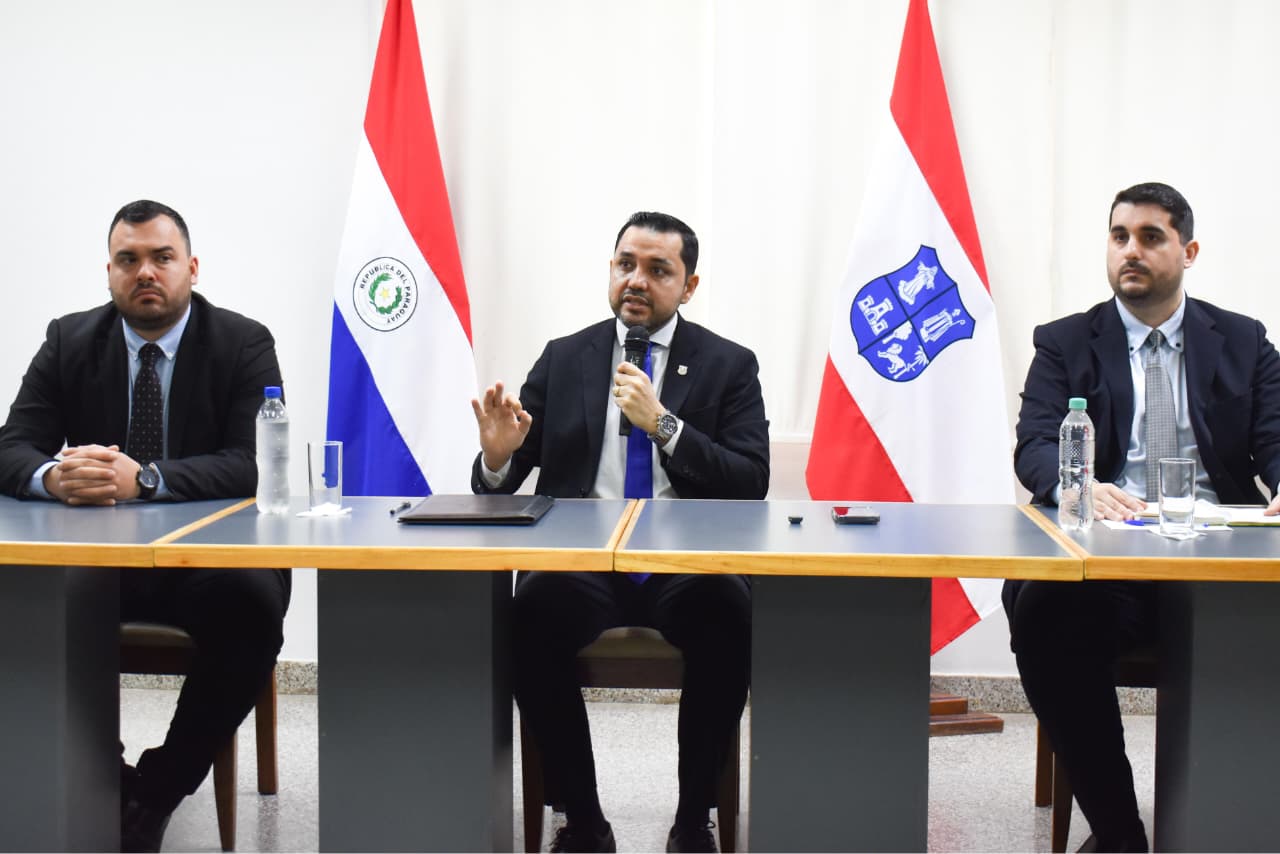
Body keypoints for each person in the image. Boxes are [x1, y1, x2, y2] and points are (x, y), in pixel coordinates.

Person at [471, 211, 769, 853]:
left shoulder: (729, 364)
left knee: (729, 619)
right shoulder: (565, 358)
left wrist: (665, 425)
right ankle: (583, 820)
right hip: (584, 561)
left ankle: (693, 821)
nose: (636, 280)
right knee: (530, 621)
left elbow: (751, 482)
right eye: (626, 264)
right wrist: (497, 457)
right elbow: (502, 477)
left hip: (683, 561)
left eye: (658, 270)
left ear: (688, 287)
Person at [0, 200, 290, 852]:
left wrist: (148, 479)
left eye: (162, 257)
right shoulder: (69, 339)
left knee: (252, 605)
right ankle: (105, 777)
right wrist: (53, 477)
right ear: (109, 272)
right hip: (96, 561)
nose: (146, 273)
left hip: (205, 562)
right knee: (19, 600)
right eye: (128, 260)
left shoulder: (243, 341)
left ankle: (155, 793)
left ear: (192, 266)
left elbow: (252, 462)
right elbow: (11, 446)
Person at [1005, 182, 1280, 852]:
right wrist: (1077, 484)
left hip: (1219, 556)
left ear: (1188, 252)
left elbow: (1276, 436)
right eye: (1119, 236)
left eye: (1151, 237)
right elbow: (1035, 443)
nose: (1131, 250)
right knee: (1042, 609)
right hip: (1112, 558)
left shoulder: (1243, 340)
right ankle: (1120, 835)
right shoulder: (1066, 342)